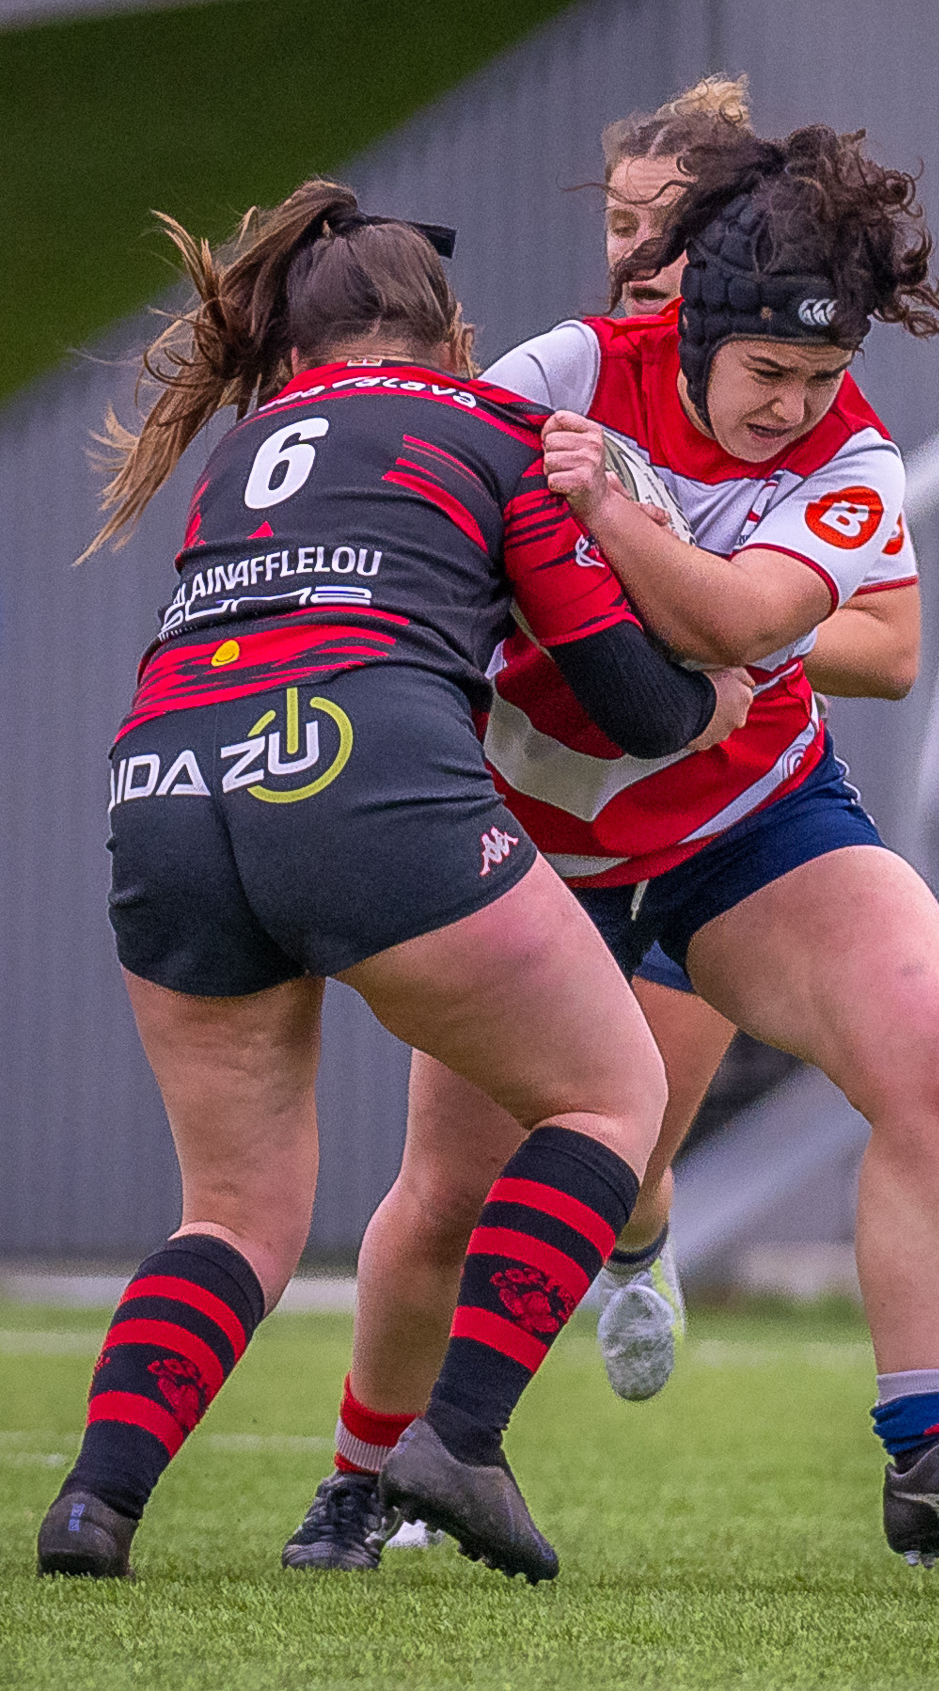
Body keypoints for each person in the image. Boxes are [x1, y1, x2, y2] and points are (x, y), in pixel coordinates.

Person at [286, 125, 939, 1576]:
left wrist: (603, 506)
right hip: (535, 842)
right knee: (448, 1195)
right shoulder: (563, 372)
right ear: (702, 328)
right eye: (769, 371)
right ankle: (358, 1486)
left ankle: (930, 1459)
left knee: (933, 1060)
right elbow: (417, 531)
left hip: (745, 817)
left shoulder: (854, 458)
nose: (794, 406)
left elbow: (739, 623)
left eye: (823, 376)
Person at [35, 177, 756, 1584]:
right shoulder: (496, 427)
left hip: (164, 779)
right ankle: (458, 1444)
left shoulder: (241, 449)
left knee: (233, 1212)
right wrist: (709, 696)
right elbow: (625, 699)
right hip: (353, 757)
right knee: (611, 1096)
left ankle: (95, 1504)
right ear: (456, 335)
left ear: (294, 351)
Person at [594, 75, 921, 1400]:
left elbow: (888, 650)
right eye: (618, 222)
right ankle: (394, 1460)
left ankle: (638, 1240)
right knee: (479, 1160)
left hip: (723, 808)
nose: (635, 254)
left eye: (661, 227)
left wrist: (726, 622)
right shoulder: (568, 376)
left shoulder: (811, 417)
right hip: (559, 810)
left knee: (628, 1147)